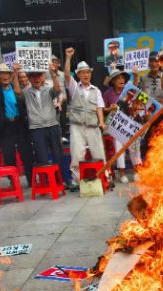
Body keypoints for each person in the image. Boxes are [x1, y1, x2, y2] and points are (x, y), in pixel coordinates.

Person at [14, 63, 75, 190]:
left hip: (52, 125)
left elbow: (58, 90)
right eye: (33, 76)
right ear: (29, 79)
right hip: (36, 128)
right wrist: (15, 73)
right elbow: (17, 92)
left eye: (38, 76)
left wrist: (53, 74)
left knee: (58, 154)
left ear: (43, 77)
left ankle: (61, 180)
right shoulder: (26, 92)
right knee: (42, 156)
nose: (36, 79)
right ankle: (48, 181)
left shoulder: (49, 89)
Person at [0, 63, 37, 185]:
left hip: (20, 124)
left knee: (26, 153)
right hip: (4, 127)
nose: (4, 76)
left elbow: (21, 98)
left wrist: (16, 74)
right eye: (1, 74)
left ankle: (31, 180)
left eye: (6, 73)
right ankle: (14, 181)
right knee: (9, 155)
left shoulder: (16, 87)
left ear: (10, 75)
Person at [64, 47, 106, 186]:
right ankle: (76, 180)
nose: (86, 75)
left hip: (93, 125)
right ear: (79, 75)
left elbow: (99, 107)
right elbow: (66, 76)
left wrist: (101, 122)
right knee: (77, 154)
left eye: (88, 72)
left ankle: (104, 176)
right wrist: (68, 58)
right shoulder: (74, 87)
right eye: (83, 73)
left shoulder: (96, 90)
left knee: (99, 152)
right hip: (77, 126)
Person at [103, 68, 141, 183]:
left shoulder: (129, 89)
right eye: (118, 78)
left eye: (123, 77)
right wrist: (110, 109)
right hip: (117, 125)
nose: (121, 79)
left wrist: (135, 76)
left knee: (135, 148)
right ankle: (122, 173)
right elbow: (102, 109)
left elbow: (136, 91)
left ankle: (136, 172)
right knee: (119, 148)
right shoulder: (108, 93)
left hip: (131, 123)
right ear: (113, 81)